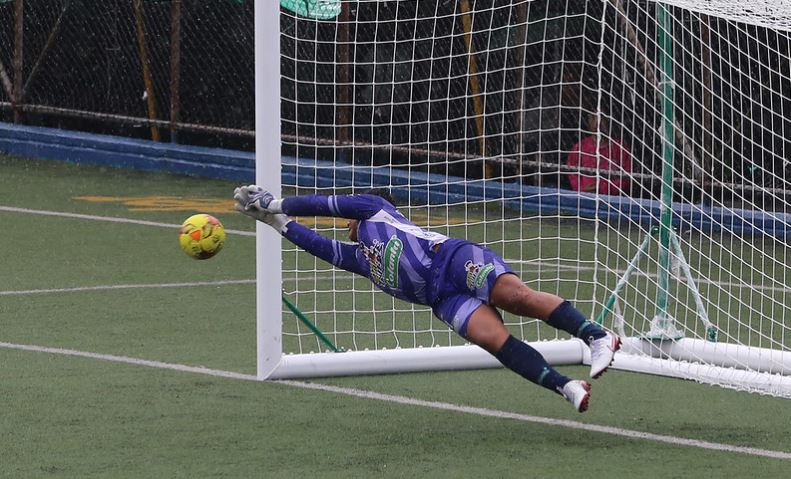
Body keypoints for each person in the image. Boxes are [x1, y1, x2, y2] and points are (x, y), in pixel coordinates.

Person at [233, 186, 621, 412]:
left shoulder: (375, 210)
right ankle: (566, 387)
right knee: (493, 340)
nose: (347, 224)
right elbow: (319, 246)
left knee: (516, 297)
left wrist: (275, 204)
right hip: (442, 299)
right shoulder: (362, 260)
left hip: (452, 260)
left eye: (350, 220)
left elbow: (321, 206)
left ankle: (596, 335)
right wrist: (275, 223)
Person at [567, 113, 632, 195]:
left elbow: (626, 175)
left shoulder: (619, 147)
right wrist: (582, 188)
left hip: (611, 197)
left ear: (609, 120)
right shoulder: (579, 147)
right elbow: (572, 173)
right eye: (593, 118)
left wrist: (604, 189)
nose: (598, 122)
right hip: (585, 194)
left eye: (602, 118)